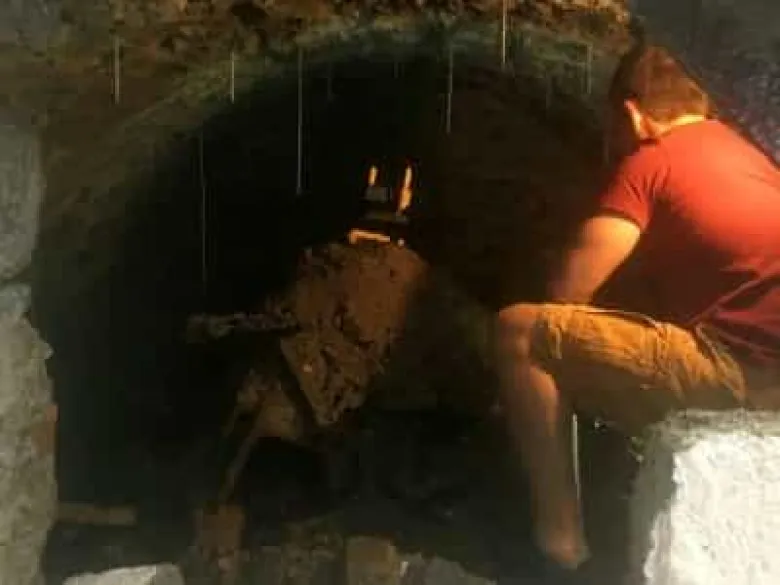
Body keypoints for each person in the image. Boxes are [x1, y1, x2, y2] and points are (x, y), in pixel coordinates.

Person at [495, 41, 780, 578]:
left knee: (520, 333)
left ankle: (560, 546)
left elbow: (569, 290)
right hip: (769, 367)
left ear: (632, 114)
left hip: (741, 374)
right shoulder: (753, 155)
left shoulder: (654, 159)